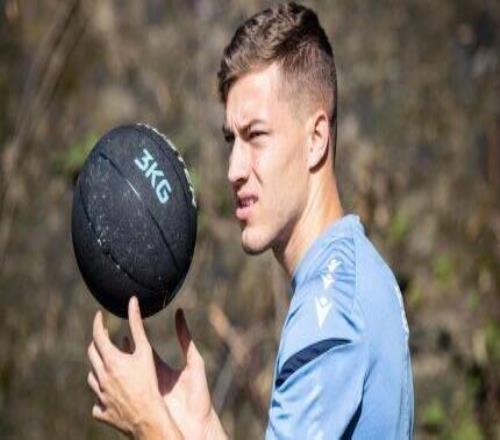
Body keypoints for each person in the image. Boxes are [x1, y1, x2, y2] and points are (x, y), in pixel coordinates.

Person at [86, 2, 414, 439]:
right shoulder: (356, 274)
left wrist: (148, 422)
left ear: (316, 139)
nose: (234, 169)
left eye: (255, 135)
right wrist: (201, 428)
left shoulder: (331, 314)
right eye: (231, 140)